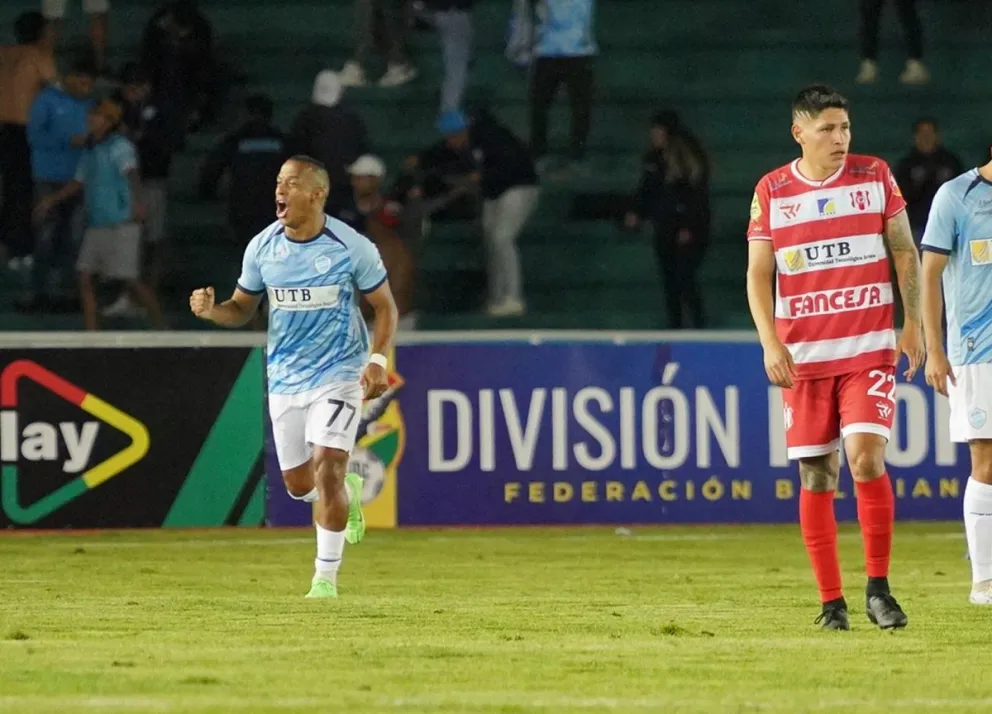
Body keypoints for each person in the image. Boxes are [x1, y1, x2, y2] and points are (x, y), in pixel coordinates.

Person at [745, 84, 924, 631]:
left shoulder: (874, 176)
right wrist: (770, 342)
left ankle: (879, 589)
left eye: (845, 127)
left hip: (867, 347)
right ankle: (831, 604)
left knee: (867, 458)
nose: (840, 138)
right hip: (803, 356)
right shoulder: (773, 190)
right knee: (818, 476)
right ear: (799, 132)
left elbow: (903, 249)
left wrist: (912, 324)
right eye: (827, 129)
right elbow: (758, 273)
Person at [189, 155, 399, 598]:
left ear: (316, 193)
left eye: (290, 183)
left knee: (328, 467)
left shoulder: (350, 247)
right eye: (278, 183)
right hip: (285, 377)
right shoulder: (262, 248)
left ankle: (324, 580)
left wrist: (377, 361)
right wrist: (213, 312)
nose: (279, 192)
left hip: (339, 372)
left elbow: (384, 306)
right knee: (300, 485)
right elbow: (242, 308)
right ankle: (347, 492)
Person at [920, 155, 992, 605]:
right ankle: (984, 580)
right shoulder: (955, 196)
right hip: (977, 352)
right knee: (986, 461)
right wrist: (934, 349)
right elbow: (928, 277)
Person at [34, 99, 165, 331]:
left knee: (130, 280)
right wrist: (51, 200)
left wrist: (138, 203)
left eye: (97, 116)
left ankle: (163, 328)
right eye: (92, 114)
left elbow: (131, 173)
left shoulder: (119, 146)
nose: (91, 119)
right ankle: (92, 334)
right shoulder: (92, 148)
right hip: (98, 222)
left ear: (109, 121)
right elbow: (78, 181)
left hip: (120, 222)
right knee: (84, 276)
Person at [20, 57, 95, 312]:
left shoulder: (91, 104)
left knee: (75, 238)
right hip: (49, 178)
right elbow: (34, 136)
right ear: (68, 77)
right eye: (81, 80)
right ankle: (38, 292)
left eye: (89, 82)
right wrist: (67, 140)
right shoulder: (46, 100)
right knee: (46, 237)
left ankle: (68, 294)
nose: (85, 86)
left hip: (79, 179)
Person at [625, 110, 710, 329]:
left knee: (684, 276)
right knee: (669, 278)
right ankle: (676, 324)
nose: (654, 134)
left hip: (689, 228)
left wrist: (688, 226)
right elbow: (646, 190)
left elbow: (695, 196)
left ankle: (698, 323)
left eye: (658, 130)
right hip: (664, 226)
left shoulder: (688, 158)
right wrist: (636, 212)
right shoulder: (652, 159)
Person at [0, 12, 57, 268]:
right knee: (22, 191)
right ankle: (20, 247)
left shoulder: (4, 53)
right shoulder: (38, 57)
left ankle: (9, 244)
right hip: (24, 130)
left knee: (10, 189)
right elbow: (57, 90)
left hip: (3, 127)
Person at [199, 94, 287, 242]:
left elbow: (212, 170)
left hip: (242, 208)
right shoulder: (283, 142)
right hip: (274, 209)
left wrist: (206, 191)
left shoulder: (234, 140)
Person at [895, 118, 963, 243]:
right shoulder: (906, 165)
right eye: (922, 134)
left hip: (948, 225)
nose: (926, 137)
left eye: (930, 133)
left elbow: (962, 193)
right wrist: (916, 183)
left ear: (937, 136)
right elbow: (900, 198)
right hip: (917, 226)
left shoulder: (950, 161)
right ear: (915, 137)